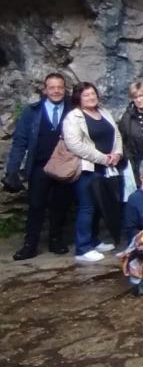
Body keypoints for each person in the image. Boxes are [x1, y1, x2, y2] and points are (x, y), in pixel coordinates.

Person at [4, 73, 73, 260]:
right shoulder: (32, 112)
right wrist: (12, 169)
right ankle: (30, 244)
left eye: (60, 87)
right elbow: (20, 141)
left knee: (61, 205)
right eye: (52, 87)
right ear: (45, 90)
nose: (56, 90)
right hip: (39, 166)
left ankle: (56, 240)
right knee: (35, 206)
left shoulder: (73, 110)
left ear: (64, 88)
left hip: (64, 166)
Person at [63, 82, 124, 264]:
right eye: (86, 95)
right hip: (87, 169)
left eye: (93, 94)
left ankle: (94, 240)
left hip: (107, 168)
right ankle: (82, 248)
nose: (91, 97)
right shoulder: (73, 117)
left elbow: (117, 134)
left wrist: (117, 153)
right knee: (87, 207)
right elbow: (75, 145)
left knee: (98, 206)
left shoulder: (104, 112)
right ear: (78, 98)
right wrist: (103, 158)